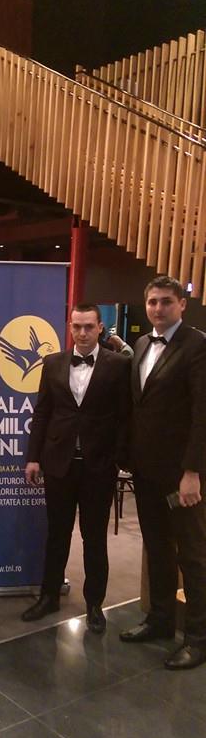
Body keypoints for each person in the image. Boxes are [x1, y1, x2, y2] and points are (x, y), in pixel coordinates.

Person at [22, 303, 130, 633]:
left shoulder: (118, 365)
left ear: (100, 328)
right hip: (59, 463)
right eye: (76, 327)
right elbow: (42, 412)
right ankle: (49, 596)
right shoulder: (52, 363)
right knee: (57, 534)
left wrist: (120, 459)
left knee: (94, 538)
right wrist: (33, 456)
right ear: (69, 328)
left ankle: (94, 604)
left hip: (99, 466)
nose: (82, 333)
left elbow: (125, 416)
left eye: (88, 327)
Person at [120, 276, 206, 669]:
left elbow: (202, 415)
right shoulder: (140, 344)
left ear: (182, 305)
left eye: (166, 301)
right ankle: (160, 619)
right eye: (152, 301)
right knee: (156, 547)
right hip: (146, 470)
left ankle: (198, 639)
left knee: (192, 554)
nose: (158, 308)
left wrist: (193, 472)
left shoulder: (197, 345)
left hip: (181, 475)